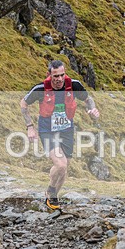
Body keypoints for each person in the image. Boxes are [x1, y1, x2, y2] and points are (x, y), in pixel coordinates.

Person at [20, 60, 100, 211]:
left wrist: (92, 110)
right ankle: (51, 191)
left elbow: (88, 100)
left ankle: (52, 197)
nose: (59, 79)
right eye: (56, 76)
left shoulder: (74, 85)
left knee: (64, 168)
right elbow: (23, 104)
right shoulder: (41, 88)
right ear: (49, 74)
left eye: (62, 75)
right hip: (48, 131)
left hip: (66, 130)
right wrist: (30, 127)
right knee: (61, 164)